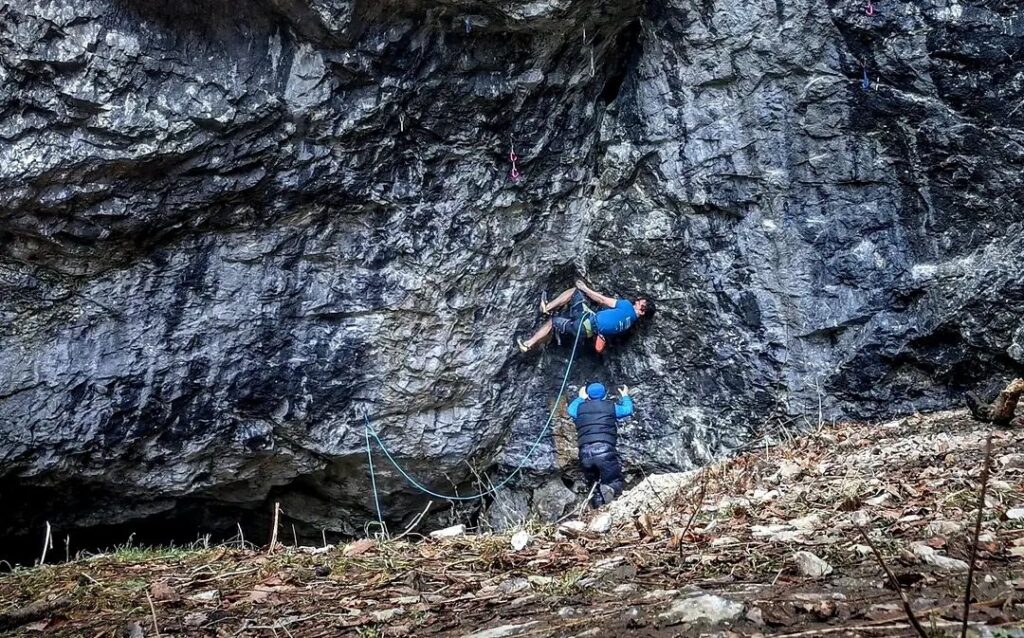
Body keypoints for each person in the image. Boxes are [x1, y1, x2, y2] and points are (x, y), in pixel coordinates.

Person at [517, 279, 655, 353]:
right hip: (587, 330)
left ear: (642, 311)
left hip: (587, 320)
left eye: (639, 303)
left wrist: (585, 288)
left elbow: (602, 300)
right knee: (559, 322)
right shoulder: (628, 324)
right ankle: (534, 342)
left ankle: (546, 308)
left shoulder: (626, 307)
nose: (636, 301)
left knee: (574, 293)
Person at [566, 382, 633, 507]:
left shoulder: (580, 408)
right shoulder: (610, 407)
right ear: (605, 394)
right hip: (604, 451)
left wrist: (580, 397)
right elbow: (628, 410)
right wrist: (625, 396)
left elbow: (570, 410)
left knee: (594, 487)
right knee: (613, 482)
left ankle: (597, 511)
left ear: (588, 395)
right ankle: (613, 511)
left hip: (585, 454)